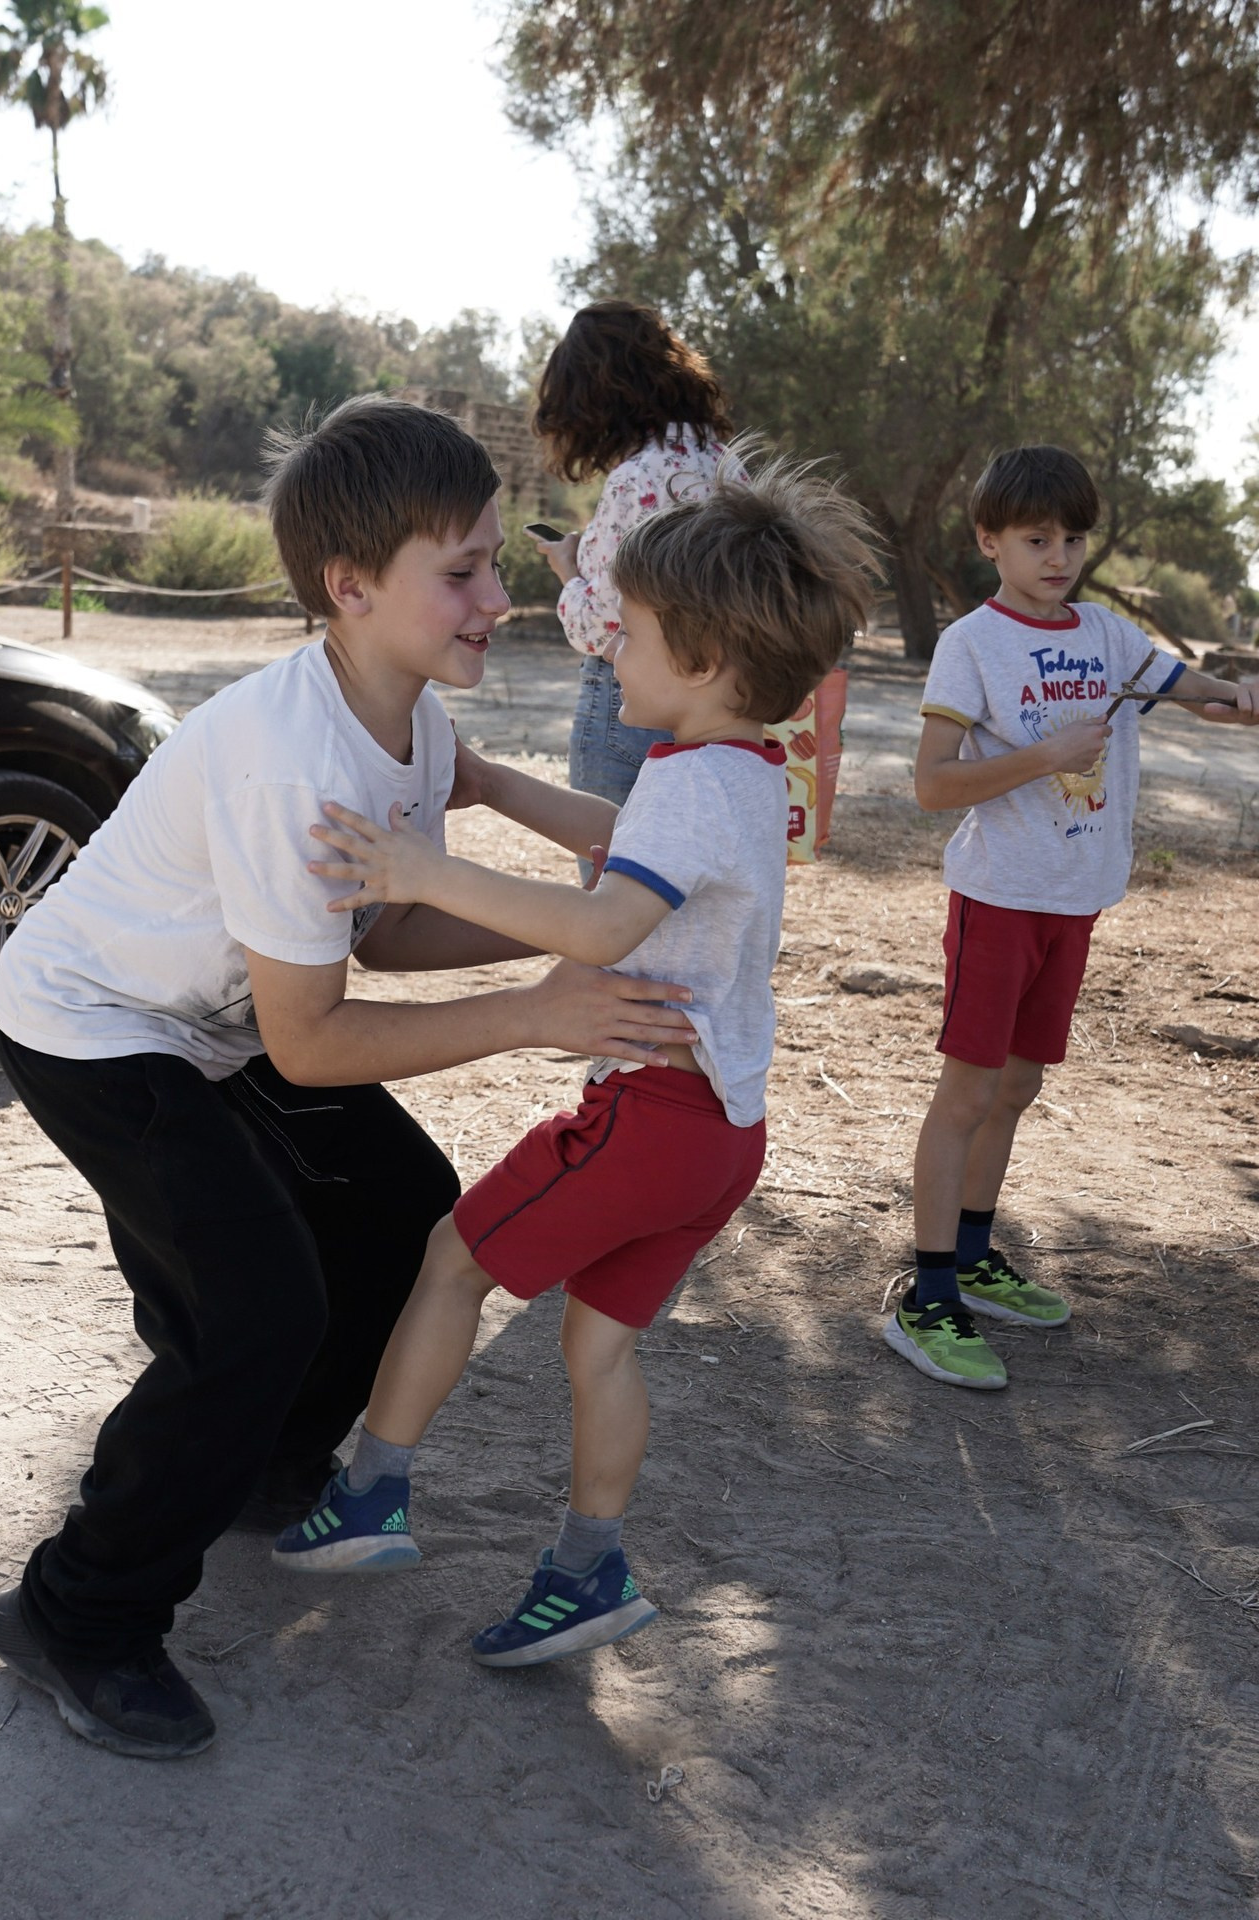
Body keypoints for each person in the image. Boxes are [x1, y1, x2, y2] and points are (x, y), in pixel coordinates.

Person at [0, 395, 701, 1760]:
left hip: (225, 1015)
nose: (502, 598)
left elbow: (376, 930)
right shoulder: (290, 756)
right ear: (351, 587)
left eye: (496, 562)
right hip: (97, 1025)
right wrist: (535, 1006)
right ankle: (76, 1612)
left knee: (400, 1212)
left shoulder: (411, 723)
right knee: (252, 1303)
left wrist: (578, 922)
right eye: (465, 572)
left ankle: (261, 1463)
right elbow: (313, 1037)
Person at [272, 451, 878, 1668]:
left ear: (702, 662)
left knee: (450, 1261)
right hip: (723, 1137)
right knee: (597, 1344)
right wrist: (490, 786)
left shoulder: (692, 787)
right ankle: (588, 1568)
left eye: (634, 634)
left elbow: (603, 926)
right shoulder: (742, 770)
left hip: (647, 1114)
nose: (609, 651)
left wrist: (420, 872)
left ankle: (370, 1498)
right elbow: (621, 841)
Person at [884, 444, 1259, 1392]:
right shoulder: (973, 642)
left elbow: (1188, 690)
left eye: (1073, 537)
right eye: (1035, 538)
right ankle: (925, 1295)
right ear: (989, 542)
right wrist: (1045, 754)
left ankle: (973, 1253)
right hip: (1000, 899)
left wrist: (1236, 695)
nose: (1059, 555)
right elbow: (932, 786)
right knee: (966, 1097)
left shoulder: (1105, 633)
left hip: (1073, 900)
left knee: (1017, 1090)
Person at [529, 299, 734, 812]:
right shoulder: (724, 465)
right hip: (714, 706)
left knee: (609, 881)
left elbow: (600, 630)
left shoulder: (635, 478)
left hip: (631, 708)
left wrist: (568, 571)